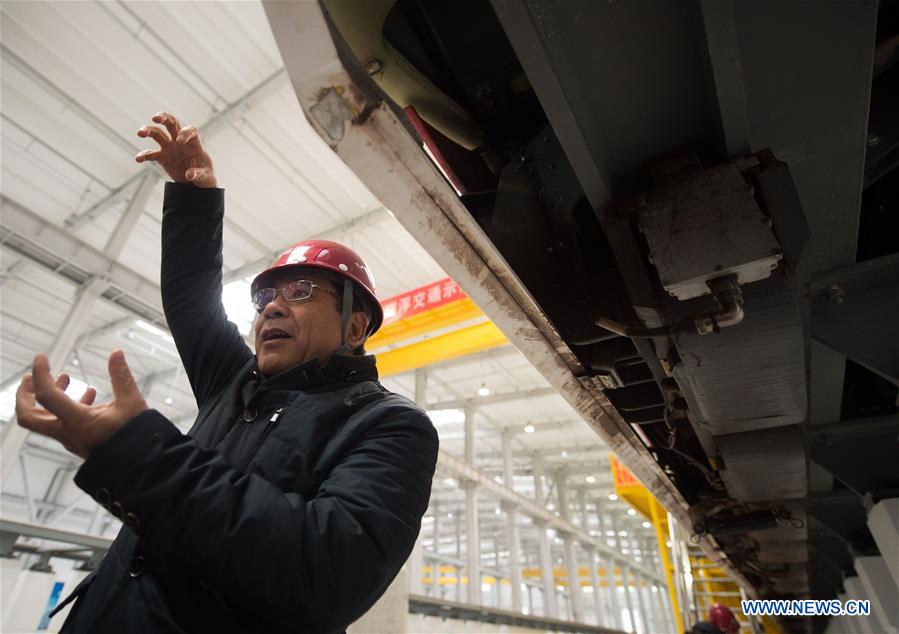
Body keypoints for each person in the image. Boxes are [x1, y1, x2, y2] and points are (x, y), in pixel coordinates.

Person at [15, 111, 439, 633]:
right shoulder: (234, 383)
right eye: (266, 296)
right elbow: (194, 303)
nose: (272, 309)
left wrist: (136, 454)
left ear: (355, 327)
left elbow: (325, 572)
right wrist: (196, 196)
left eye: (301, 292)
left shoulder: (389, 426)